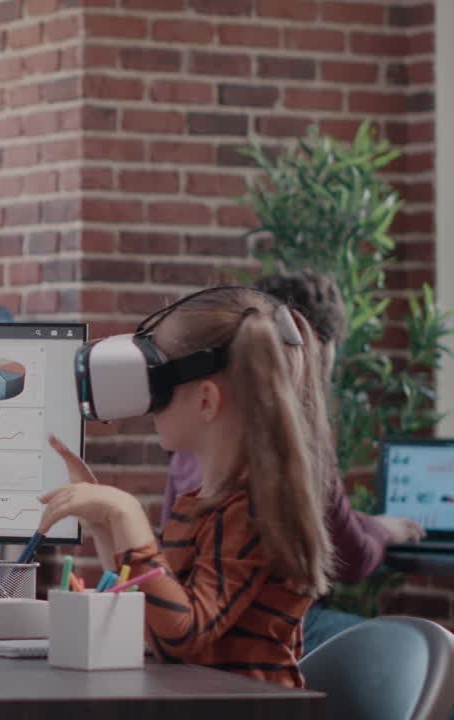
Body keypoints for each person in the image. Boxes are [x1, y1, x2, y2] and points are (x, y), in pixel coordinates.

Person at [40, 286, 336, 688]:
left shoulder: (252, 511)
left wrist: (127, 514)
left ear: (206, 401)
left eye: (156, 388)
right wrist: (104, 525)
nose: (146, 406)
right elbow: (151, 623)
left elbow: (182, 636)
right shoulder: (206, 503)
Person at [161, 272, 425, 652]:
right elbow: (351, 559)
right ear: (316, 349)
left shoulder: (198, 436)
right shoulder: (296, 445)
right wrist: (386, 530)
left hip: (208, 625)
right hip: (257, 633)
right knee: (408, 649)